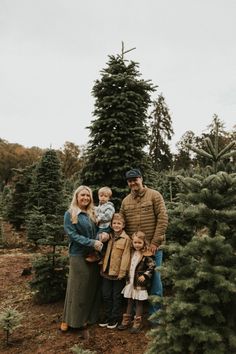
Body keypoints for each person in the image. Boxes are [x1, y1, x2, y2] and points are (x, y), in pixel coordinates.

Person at [119, 168, 168, 323]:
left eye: (135, 179)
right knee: (134, 280)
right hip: (135, 250)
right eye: (130, 181)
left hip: (153, 247)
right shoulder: (126, 201)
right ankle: (136, 316)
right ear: (128, 183)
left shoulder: (154, 195)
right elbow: (122, 223)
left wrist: (154, 242)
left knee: (155, 281)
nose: (133, 183)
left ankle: (155, 317)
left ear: (141, 179)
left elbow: (163, 218)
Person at [60, 185, 103, 335]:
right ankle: (71, 320)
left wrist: (101, 236)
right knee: (77, 287)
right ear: (76, 197)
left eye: (88, 195)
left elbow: (97, 231)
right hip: (78, 255)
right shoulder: (71, 213)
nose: (85, 198)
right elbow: (72, 235)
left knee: (90, 287)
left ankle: (86, 318)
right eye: (82, 195)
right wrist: (92, 243)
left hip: (93, 255)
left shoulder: (92, 212)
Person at [118, 231, 156, 333]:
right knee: (129, 301)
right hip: (130, 281)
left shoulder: (146, 255)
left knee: (139, 302)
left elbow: (152, 266)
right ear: (132, 242)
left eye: (139, 243)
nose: (137, 245)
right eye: (135, 242)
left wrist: (145, 275)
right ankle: (126, 320)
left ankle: (137, 322)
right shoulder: (131, 252)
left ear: (144, 243)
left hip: (139, 283)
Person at [99, 213, 131, 329]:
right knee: (106, 294)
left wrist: (122, 273)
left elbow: (126, 256)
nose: (116, 225)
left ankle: (114, 317)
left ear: (123, 225)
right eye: (114, 223)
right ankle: (107, 315)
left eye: (119, 223)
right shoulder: (110, 236)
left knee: (116, 296)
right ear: (111, 225)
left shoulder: (126, 239)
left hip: (118, 273)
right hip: (107, 271)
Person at [86, 186, 115, 262]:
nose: (103, 198)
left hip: (105, 226)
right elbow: (95, 211)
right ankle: (99, 254)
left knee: (98, 239)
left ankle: (98, 255)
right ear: (98, 196)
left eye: (105, 196)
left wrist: (99, 218)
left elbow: (108, 216)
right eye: (101, 196)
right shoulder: (99, 206)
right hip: (100, 226)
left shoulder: (109, 206)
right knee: (96, 237)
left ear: (109, 198)